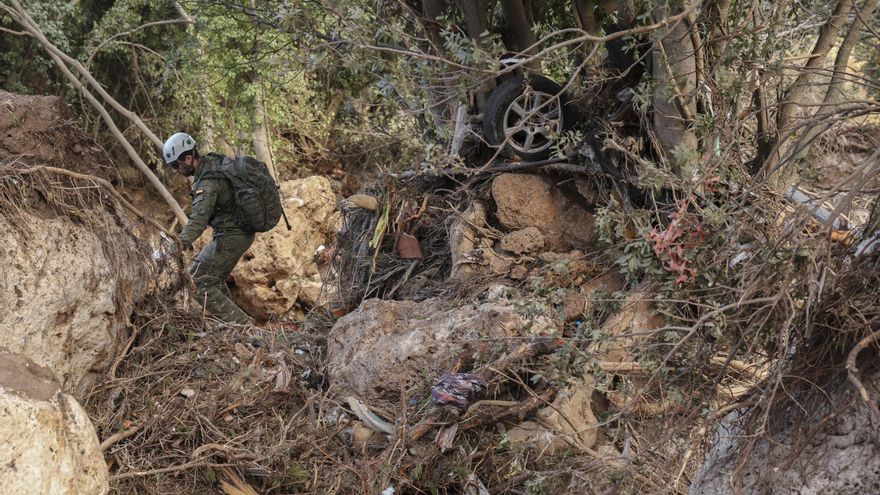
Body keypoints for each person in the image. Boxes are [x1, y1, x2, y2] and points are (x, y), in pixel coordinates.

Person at [162, 132, 255, 325]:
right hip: (234, 233)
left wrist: (174, 247)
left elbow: (197, 222)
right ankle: (236, 326)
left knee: (198, 281)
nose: (175, 171)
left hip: (232, 236)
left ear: (188, 158)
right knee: (212, 278)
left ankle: (246, 328)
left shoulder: (208, 181)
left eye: (175, 166)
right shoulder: (214, 162)